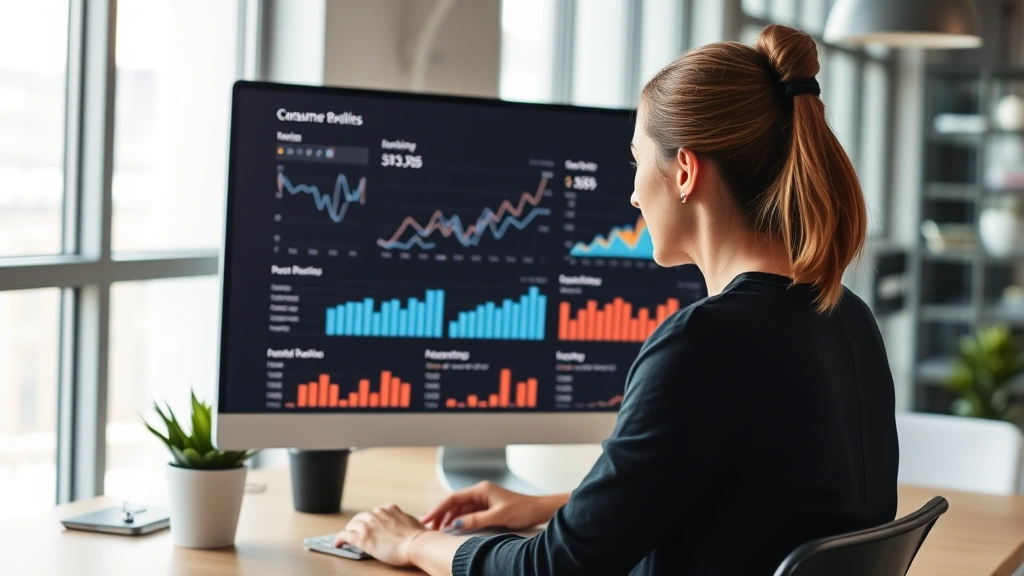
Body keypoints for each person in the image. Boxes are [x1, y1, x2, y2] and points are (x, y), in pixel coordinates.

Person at [332, 23, 899, 576]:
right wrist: (548, 506)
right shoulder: (848, 318)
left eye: (636, 161)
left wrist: (413, 542)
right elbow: (747, 501)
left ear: (684, 171)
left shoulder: (705, 344)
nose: (631, 193)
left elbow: (553, 567)